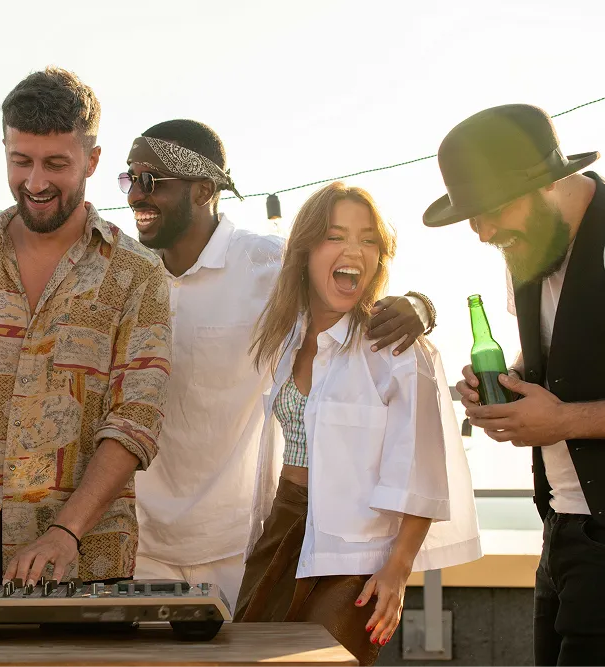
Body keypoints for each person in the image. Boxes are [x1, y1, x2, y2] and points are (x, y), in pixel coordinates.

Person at [122, 119, 437, 611]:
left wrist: (420, 306)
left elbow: (352, 285)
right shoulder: (126, 274)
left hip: (233, 545)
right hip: (135, 543)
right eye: (130, 179)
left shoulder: (267, 264)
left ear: (203, 188)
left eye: (151, 181)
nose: (135, 196)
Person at [0, 67, 172, 587]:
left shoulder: (137, 274)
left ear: (92, 159)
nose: (36, 182)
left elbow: (137, 418)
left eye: (56, 164)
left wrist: (66, 532)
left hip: (86, 559)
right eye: (20, 161)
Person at [238, 182, 481, 666]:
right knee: (246, 657)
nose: (354, 250)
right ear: (306, 249)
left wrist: (397, 569)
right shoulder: (286, 337)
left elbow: (420, 467)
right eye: (335, 236)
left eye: (368, 239)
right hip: (283, 524)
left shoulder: (398, 350)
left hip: (358, 550)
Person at [427, 104, 605, 667]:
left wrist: (566, 421)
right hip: (561, 531)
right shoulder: (528, 246)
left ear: (548, 182)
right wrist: (504, 384)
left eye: (491, 211)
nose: (481, 232)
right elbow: (554, 357)